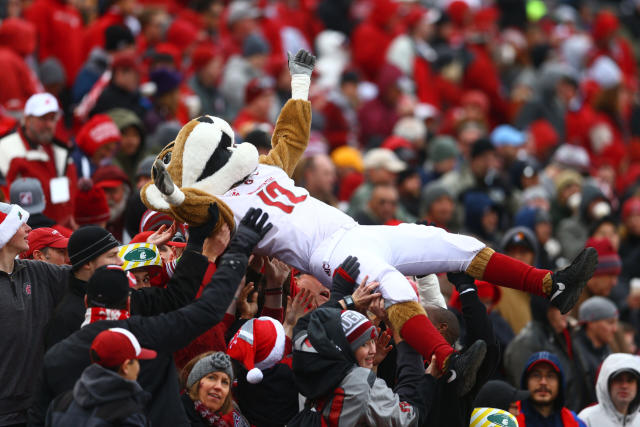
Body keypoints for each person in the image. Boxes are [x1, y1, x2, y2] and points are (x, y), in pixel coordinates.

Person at [148, 48, 598, 392]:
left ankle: (551, 284)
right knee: (396, 285)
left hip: (354, 231)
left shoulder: (264, 167)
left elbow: (290, 137)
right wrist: (170, 193)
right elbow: (199, 212)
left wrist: (300, 83)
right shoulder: (223, 205)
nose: (232, 151)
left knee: (450, 243)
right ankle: (449, 361)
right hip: (326, 256)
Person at [28, 205, 271, 427]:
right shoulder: (150, 333)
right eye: (113, 256)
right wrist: (239, 250)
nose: (121, 260)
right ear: (130, 299)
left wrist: (196, 245)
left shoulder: (55, 358)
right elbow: (208, 310)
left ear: (86, 301)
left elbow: (176, 297)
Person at [290, 307, 434, 426]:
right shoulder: (360, 382)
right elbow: (408, 419)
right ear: (346, 347)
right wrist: (429, 380)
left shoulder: (311, 361)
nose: (373, 350)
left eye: (373, 341)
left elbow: (305, 323)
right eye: (364, 344)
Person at [0, 202, 70, 426]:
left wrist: (141, 250)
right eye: (21, 224)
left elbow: (85, 274)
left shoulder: (37, 271)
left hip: (36, 407)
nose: (29, 228)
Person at [45, 328, 156, 426]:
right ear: (126, 366)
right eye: (137, 361)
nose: (139, 367)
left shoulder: (60, 403)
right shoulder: (129, 415)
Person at [0, 93, 77, 226]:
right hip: (29, 233)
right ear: (27, 119)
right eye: (43, 118)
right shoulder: (5, 148)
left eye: (52, 119)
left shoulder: (61, 150)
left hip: (61, 233)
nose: (49, 124)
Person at [572, 296, 619, 410]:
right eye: (610, 322)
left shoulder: (607, 351)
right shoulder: (574, 351)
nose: (615, 329)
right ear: (591, 323)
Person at [516, 351, 586, 427]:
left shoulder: (574, 422)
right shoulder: (508, 419)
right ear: (525, 381)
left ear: (560, 383)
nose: (543, 382)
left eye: (550, 376)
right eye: (536, 375)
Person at [181, 352, 249, 426]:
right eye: (211, 377)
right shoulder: (176, 415)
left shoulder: (216, 421)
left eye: (225, 382)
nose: (218, 386)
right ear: (195, 382)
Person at [578, 353, 640, 427]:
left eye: (630, 380)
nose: (624, 386)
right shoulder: (587, 419)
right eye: (618, 379)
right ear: (606, 383)